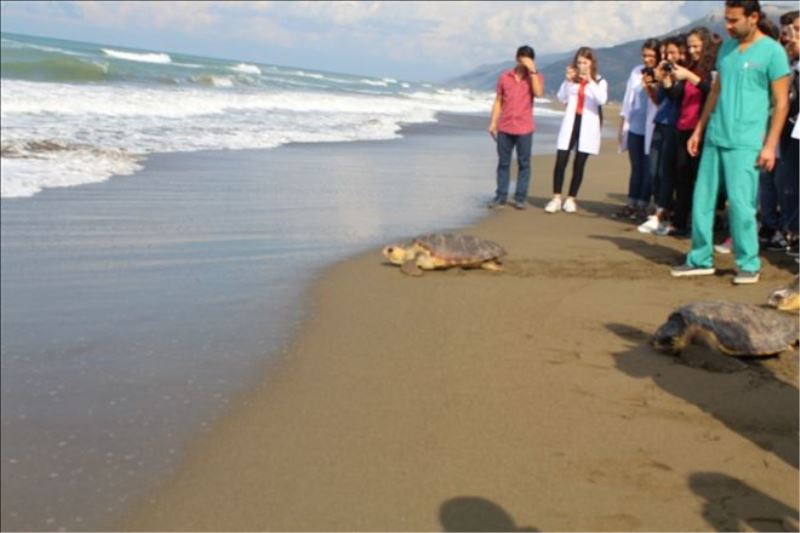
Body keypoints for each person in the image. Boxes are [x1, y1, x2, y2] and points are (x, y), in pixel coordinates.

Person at [671, 0, 790, 284]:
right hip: (715, 136)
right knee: (702, 200)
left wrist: (770, 145)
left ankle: (748, 263)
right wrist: (699, 129)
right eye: (727, 19)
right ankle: (700, 258)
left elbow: (782, 102)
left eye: (734, 20)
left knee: (741, 203)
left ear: (754, 17)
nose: (728, 25)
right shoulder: (726, 48)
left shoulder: (773, 52)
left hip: (746, 140)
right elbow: (715, 91)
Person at [662, 27, 717, 237]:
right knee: (682, 177)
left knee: (701, 180)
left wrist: (690, 76)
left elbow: (712, 91)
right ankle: (680, 222)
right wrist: (666, 79)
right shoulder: (691, 66)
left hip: (702, 128)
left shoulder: (712, 67)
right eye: (690, 46)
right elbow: (676, 95)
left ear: (706, 46)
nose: (693, 50)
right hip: (684, 126)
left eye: (697, 46)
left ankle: (700, 224)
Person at [545, 47, 608, 214]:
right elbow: (561, 97)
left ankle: (571, 198)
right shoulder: (572, 81)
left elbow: (601, 99)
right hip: (570, 123)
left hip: (587, 125)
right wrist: (567, 80)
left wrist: (589, 80)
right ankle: (556, 198)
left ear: (592, 63)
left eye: (585, 62)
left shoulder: (600, 81)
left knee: (579, 164)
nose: (582, 65)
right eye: (579, 62)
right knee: (561, 160)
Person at [638, 35, 686, 234]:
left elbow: (677, 96)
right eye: (665, 52)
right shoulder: (664, 71)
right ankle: (661, 209)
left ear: (681, 53)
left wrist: (666, 79)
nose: (667, 56)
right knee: (654, 170)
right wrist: (652, 85)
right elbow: (659, 100)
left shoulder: (683, 74)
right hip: (661, 120)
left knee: (668, 172)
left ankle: (662, 212)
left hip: (675, 125)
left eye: (672, 52)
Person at [488, 45, 545, 210]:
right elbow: (498, 101)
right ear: (517, 58)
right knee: (503, 163)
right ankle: (500, 196)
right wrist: (493, 122)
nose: (524, 63)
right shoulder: (504, 77)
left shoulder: (536, 77)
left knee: (524, 163)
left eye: (528, 59)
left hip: (524, 127)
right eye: (522, 59)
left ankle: (520, 197)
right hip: (505, 126)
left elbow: (539, 93)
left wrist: (532, 71)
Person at [618, 39, 661, 220]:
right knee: (636, 167)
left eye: (651, 55)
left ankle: (644, 204)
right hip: (635, 126)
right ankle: (631, 203)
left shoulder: (661, 73)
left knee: (649, 169)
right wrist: (622, 125)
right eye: (644, 55)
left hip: (652, 127)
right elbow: (628, 99)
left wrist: (651, 84)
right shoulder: (636, 71)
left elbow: (659, 101)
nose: (647, 59)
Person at [777, 10, 799, 256]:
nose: (792, 37)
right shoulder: (790, 65)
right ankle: (792, 232)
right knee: (789, 186)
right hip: (792, 133)